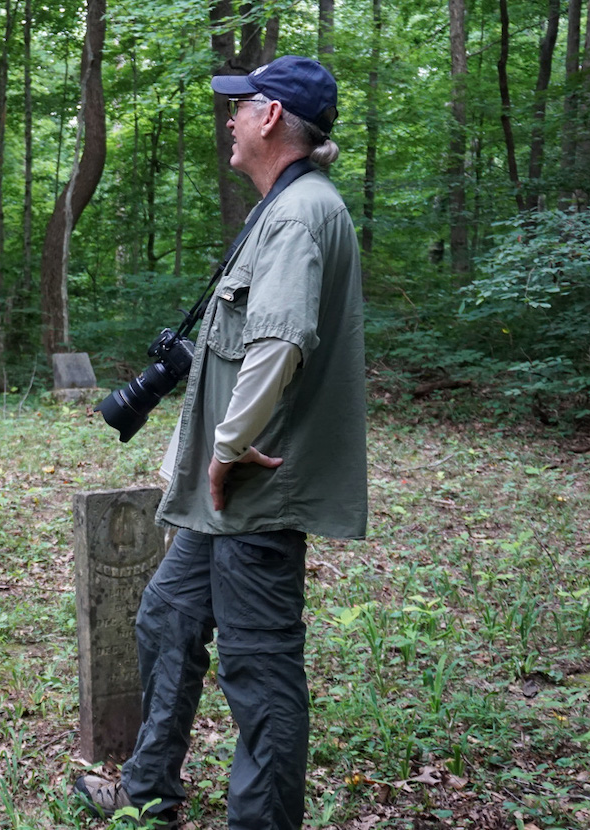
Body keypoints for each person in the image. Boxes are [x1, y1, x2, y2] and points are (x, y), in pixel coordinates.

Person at [74, 56, 367, 828]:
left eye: (239, 108)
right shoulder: (277, 211)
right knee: (166, 616)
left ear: (270, 118)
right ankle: (147, 792)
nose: (229, 121)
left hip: (253, 488)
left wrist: (229, 446)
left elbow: (278, 341)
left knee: (260, 668)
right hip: (223, 494)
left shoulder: (302, 215)